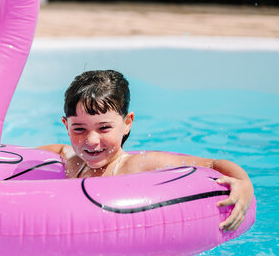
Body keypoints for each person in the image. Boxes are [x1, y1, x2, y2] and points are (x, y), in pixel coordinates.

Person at [38, 70, 254, 231]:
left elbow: (213, 164)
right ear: (66, 126)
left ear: (127, 123)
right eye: (79, 129)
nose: (91, 140)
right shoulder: (73, 162)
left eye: (104, 128)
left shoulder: (138, 165)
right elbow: (57, 149)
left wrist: (243, 183)